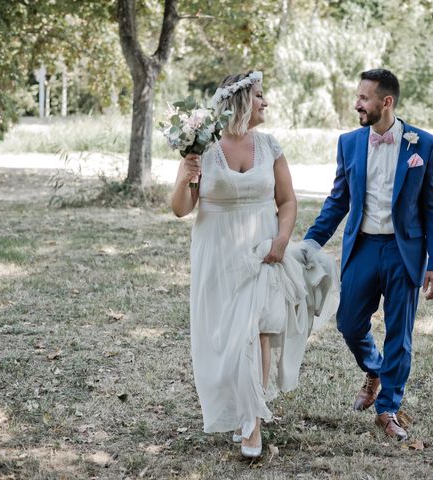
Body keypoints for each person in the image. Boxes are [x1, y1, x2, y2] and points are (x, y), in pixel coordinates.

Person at [170, 71, 338, 458]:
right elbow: (181, 209)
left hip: (263, 249)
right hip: (218, 252)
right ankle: (239, 408)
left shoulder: (270, 146)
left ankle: (253, 424)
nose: (265, 103)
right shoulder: (203, 148)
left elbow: (288, 201)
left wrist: (281, 239)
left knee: (260, 329)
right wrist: (186, 177)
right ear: (241, 101)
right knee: (227, 337)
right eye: (260, 96)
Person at [303, 69, 433, 441]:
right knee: (349, 322)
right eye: (357, 96)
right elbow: (338, 202)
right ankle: (374, 369)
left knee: (399, 334)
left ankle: (388, 410)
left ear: (386, 102)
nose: (357, 104)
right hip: (364, 246)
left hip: (405, 252)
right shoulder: (349, 143)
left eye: (364, 98)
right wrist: (309, 243)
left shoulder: (424, 145)